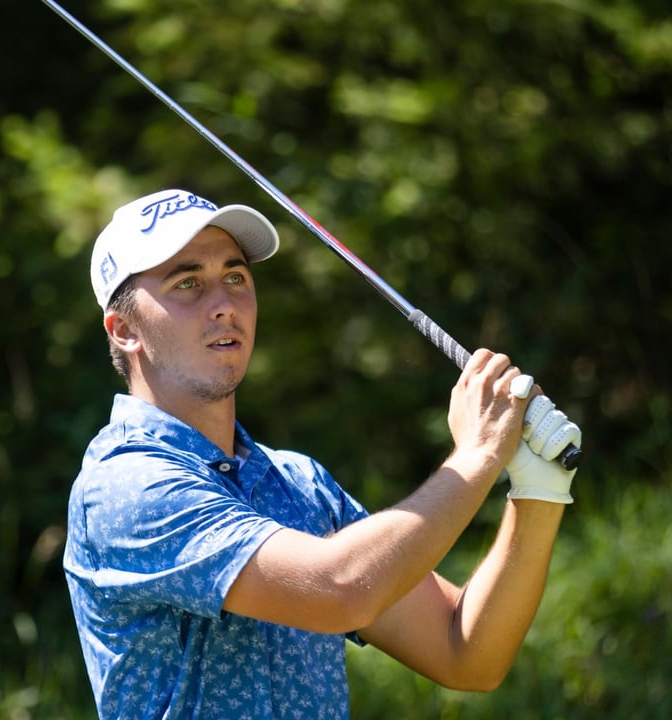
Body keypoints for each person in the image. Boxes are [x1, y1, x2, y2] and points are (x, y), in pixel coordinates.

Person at [63, 188, 582, 719]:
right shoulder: (124, 486)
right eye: (188, 283)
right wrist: (476, 456)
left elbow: (466, 653)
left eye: (236, 277)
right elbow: (340, 589)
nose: (224, 304)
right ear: (124, 330)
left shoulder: (298, 481)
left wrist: (539, 489)